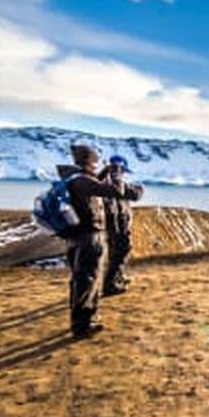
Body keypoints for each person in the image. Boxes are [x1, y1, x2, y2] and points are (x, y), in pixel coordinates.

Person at [57, 145, 142, 338]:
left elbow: (96, 183)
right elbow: (115, 191)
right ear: (88, 160)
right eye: (95, 160)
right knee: (88, 278)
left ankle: (79, 319)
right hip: (89, 235)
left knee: (80, 278)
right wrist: (117, 174)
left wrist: (106, 172)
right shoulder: (81, 181)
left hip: (76, 235)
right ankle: (84, 323)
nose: (97, 164)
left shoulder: (73, 178)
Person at [100, 155, 144, 296]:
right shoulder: (113, 184)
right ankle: (109, 284)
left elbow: (133, 195)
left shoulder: (104, 182)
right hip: (117, 224)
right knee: (122, 250)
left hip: (115, 223)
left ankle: (118, 276)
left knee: (116, 252)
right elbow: (135, 195)